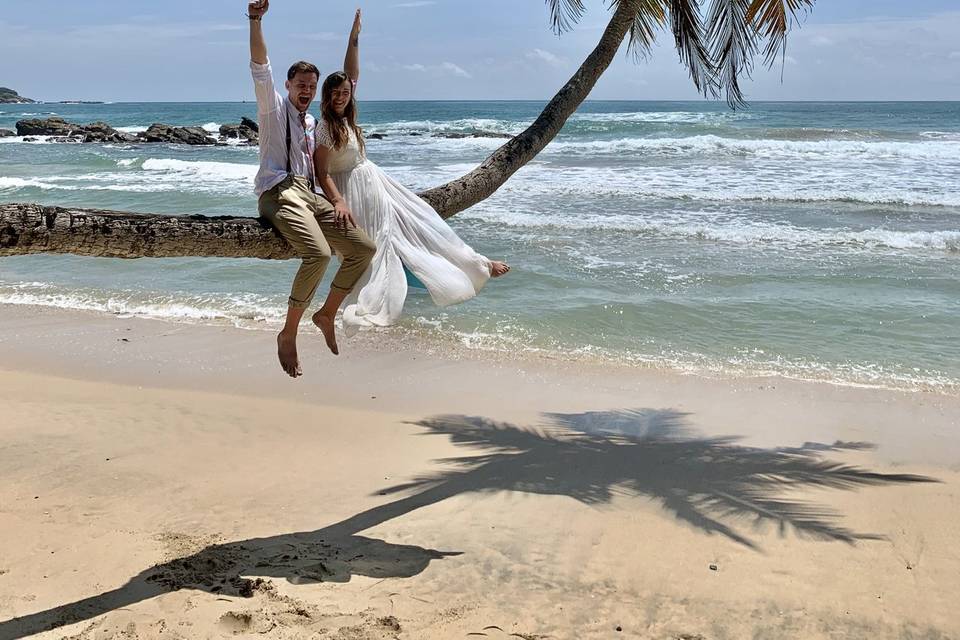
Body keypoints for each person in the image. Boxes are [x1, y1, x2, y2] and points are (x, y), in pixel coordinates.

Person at [313, 9, 509, 333]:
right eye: (335, 94)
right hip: (353, 190)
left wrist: (353, 37)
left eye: (345, 93)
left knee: (422, 217)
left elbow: (352, 70)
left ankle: (476, 264)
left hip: (375, 181)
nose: (341, 97)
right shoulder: (325, 128)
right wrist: (337, 202)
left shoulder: (347, 116)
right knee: (383, 245)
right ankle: (356, 305)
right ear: (327, 96)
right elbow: (322, 173)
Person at [247, 0, 376, 377]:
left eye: (310, 86)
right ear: (288, 85)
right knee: (318, 255)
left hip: (308, 194)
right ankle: (288, 333)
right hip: (278, 191)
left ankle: (327, 313)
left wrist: (354, 38)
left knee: (363, 248)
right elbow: (260, 66)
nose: (305, 90)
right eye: (300, 84)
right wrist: (255, 20)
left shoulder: (312, 124)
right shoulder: (272, 108)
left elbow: (349, 83)